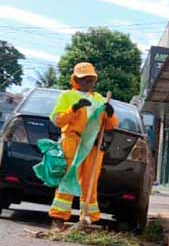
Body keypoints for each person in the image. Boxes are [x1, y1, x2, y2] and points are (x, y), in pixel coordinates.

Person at [48, 62, 118, 229]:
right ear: (75, 80)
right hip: (73, 142)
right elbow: (57, 120)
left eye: (91, 79)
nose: (88, 82)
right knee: (68, 179)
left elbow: (111, 126)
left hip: (93, 145)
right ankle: (59, 218)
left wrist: (110, 113)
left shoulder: (99, 99)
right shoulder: (67, 96)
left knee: (90, 182)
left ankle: (87, 218)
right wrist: (74, 108)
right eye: (84, 79)